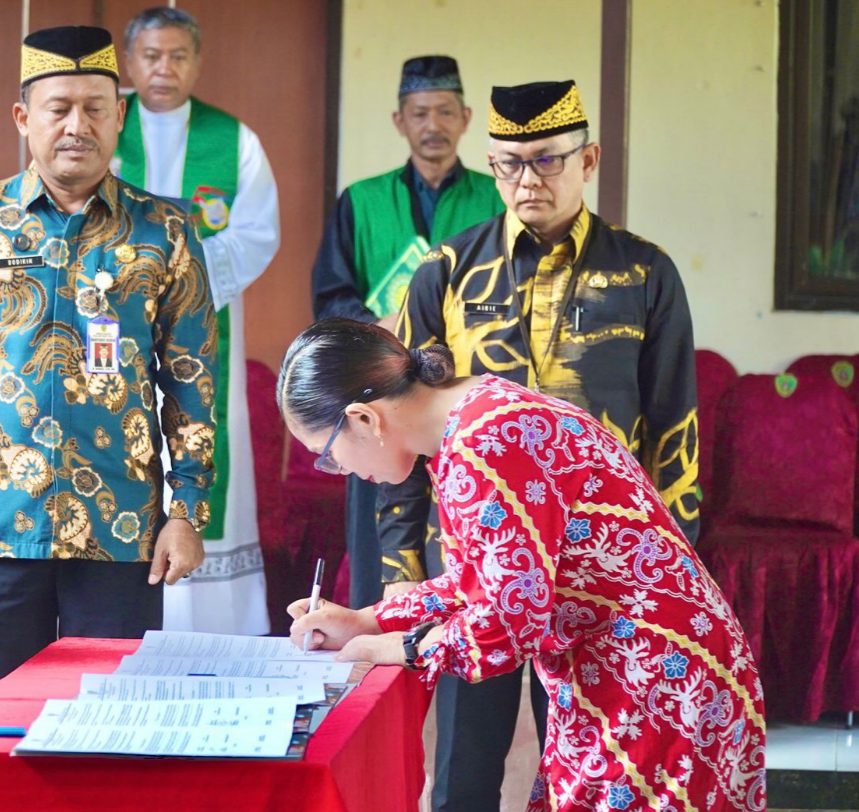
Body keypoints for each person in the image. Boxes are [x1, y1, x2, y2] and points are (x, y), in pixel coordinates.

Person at [280, 318, 764, 812]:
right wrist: (368, 620)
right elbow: (483, 581)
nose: (342, 472)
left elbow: (508, 624)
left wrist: (404, 647)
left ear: (363, 418)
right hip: (639, 667)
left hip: (657, 681)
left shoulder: (483, 441)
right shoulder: (476, 414)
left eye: (328, 455)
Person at [381, 79, 701, 811]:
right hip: (471, 565)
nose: (528, 181)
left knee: (591, 769)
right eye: (508, 164)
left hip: (602, 572)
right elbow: (401, 425)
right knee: (462, 771)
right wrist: (402, 568)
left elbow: (673, 428)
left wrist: (671, 570)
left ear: (588, 160)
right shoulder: (445, 271)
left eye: (548, 160)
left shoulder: (644, 273)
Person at [0, 25, 218, 703]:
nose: (77, 126)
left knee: (112, 729)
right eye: (58, 108)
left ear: (120, 115)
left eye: (95, 108)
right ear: (23, 118)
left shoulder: (165, 231)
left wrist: (186, 511)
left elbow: (191, 381)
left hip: (123, 533)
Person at [311, 56, 503, 611]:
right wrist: (384, 327)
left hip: (458, 400)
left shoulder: (495, 199)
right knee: (379, 543)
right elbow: (330, 295)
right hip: (378, 394)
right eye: (420, 113)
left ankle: (460, 643)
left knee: (466, 544)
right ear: (400, 121)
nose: (432, 125)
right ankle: (376, 638)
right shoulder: (361, 200)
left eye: (445, 111)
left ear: (466, 118)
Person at [116, 6, 279, 635]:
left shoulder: (234, 140)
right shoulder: (104, 122)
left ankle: (212, 621)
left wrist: (178, 279)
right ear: (130, 61)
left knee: (202, 436)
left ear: (197, 62)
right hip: (115, 324)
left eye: (178, 56)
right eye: (151, 56)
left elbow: (257, 232)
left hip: (203, 322)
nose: (164, 68)